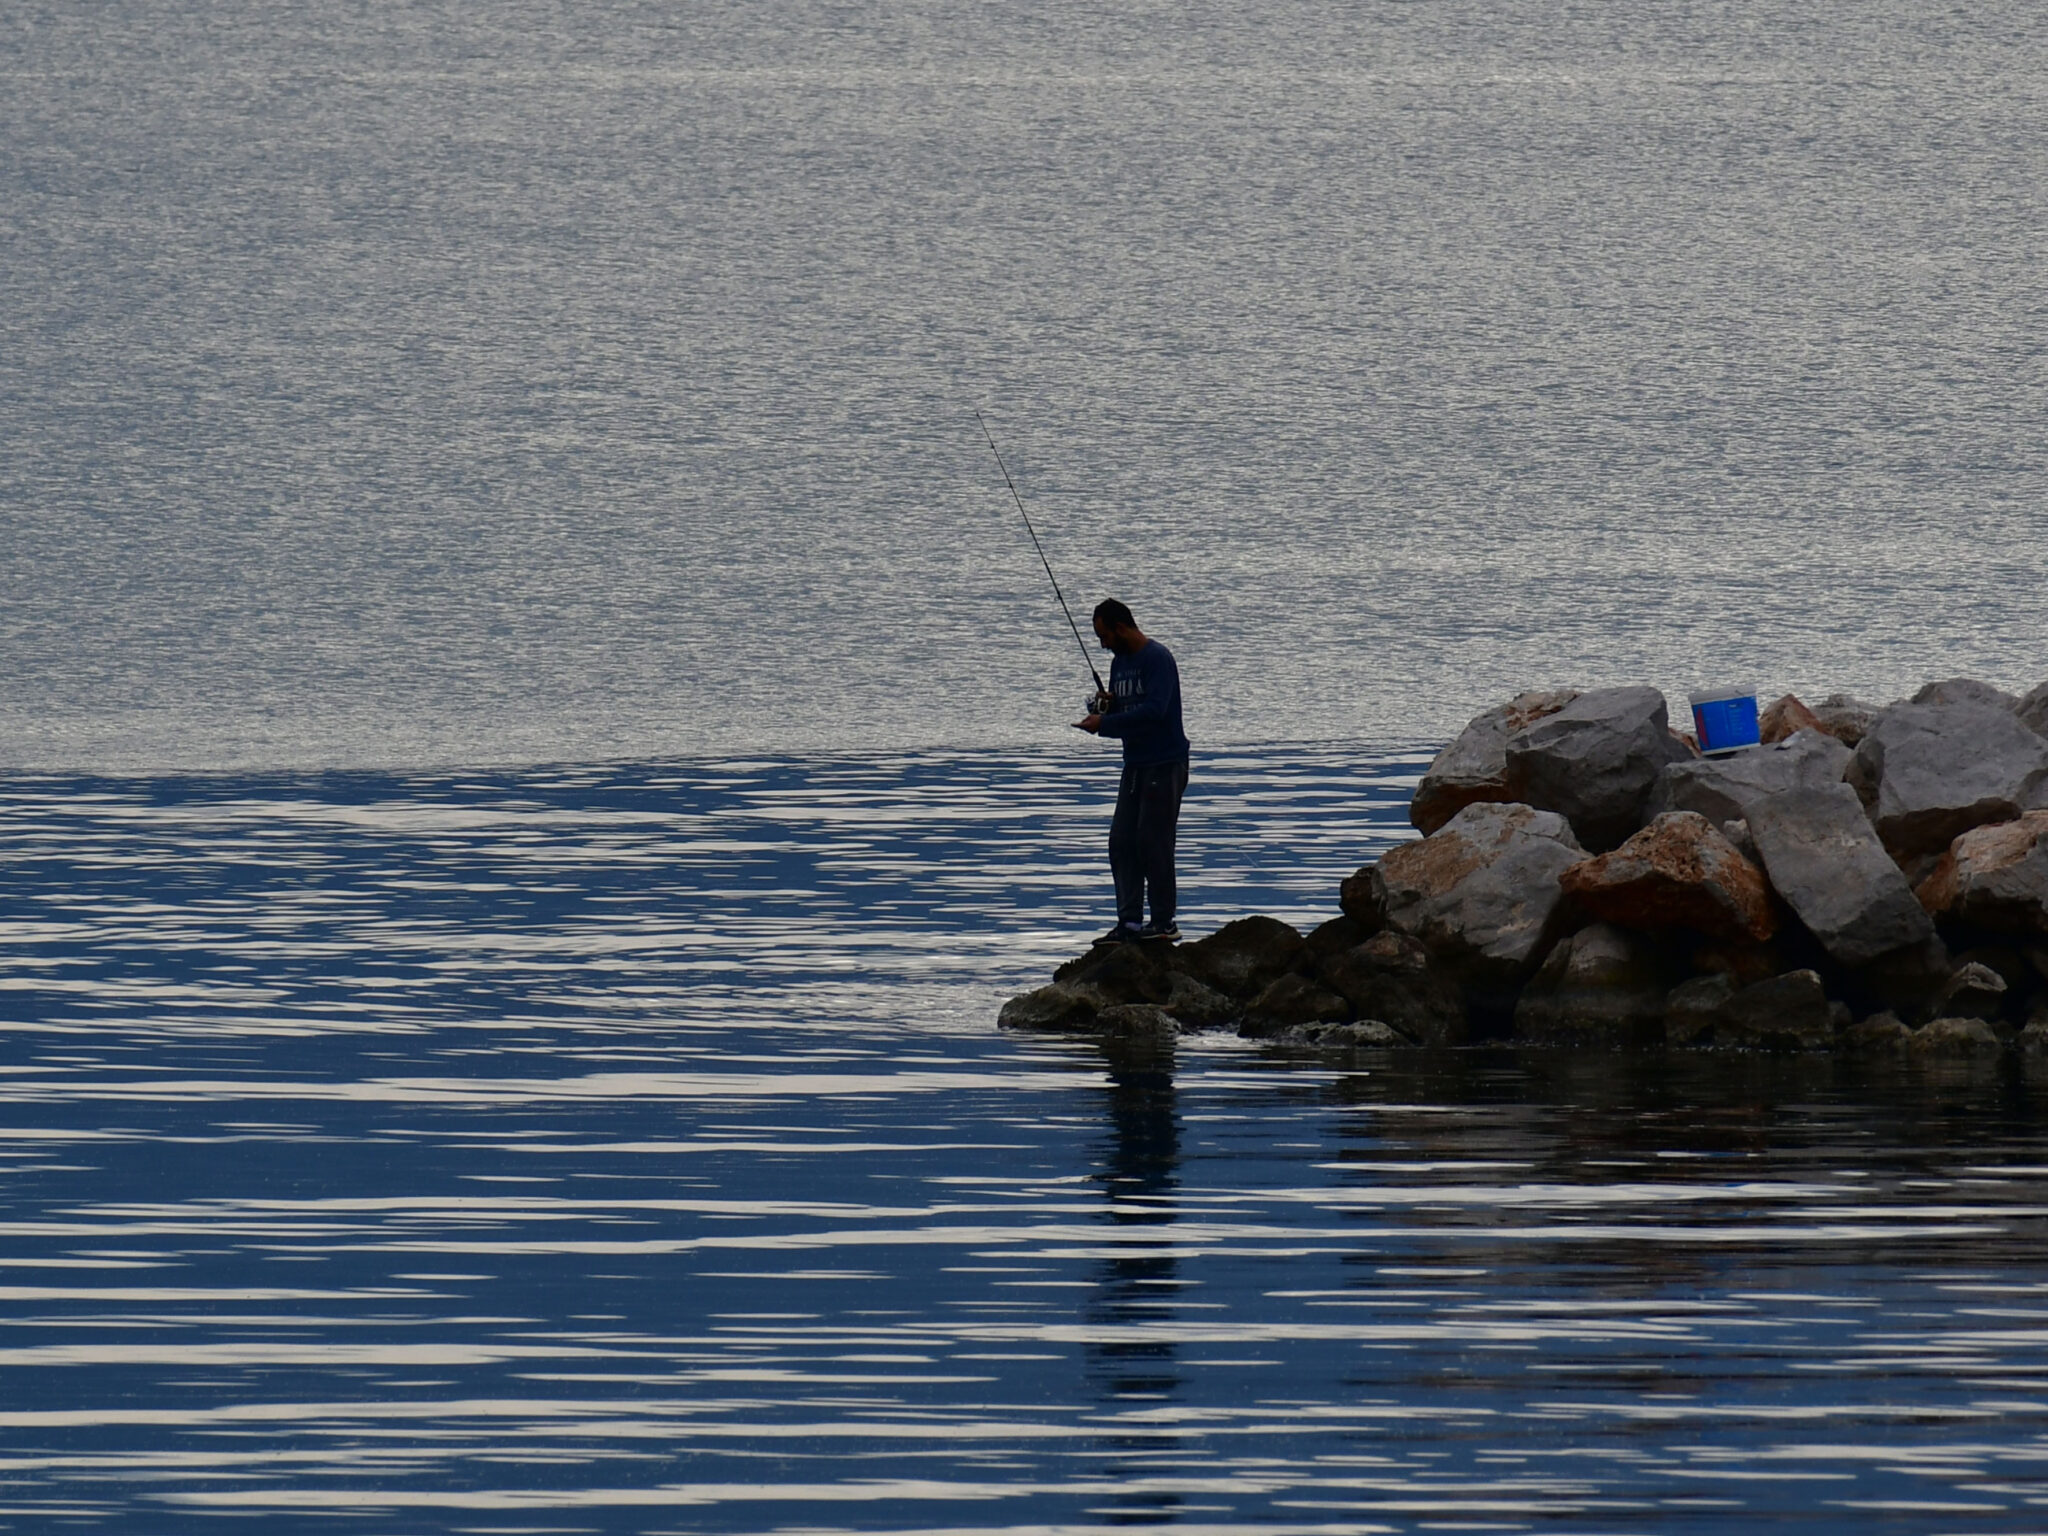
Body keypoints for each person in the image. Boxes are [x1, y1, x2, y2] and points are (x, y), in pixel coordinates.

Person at [1075, 599, 1190, 944]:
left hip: (1165, 762)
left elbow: (1155, 711)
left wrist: (1105, 724)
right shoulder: (1120, 663)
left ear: (1121, 628)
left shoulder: (1157, 659)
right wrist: (1107, 706)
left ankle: (1164, 922)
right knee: (1122, 841)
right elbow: (1128, 709)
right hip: (1136, 765)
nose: (1103, 643)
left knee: (1153, 841)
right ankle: (1130, 923)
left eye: (1104, 635)